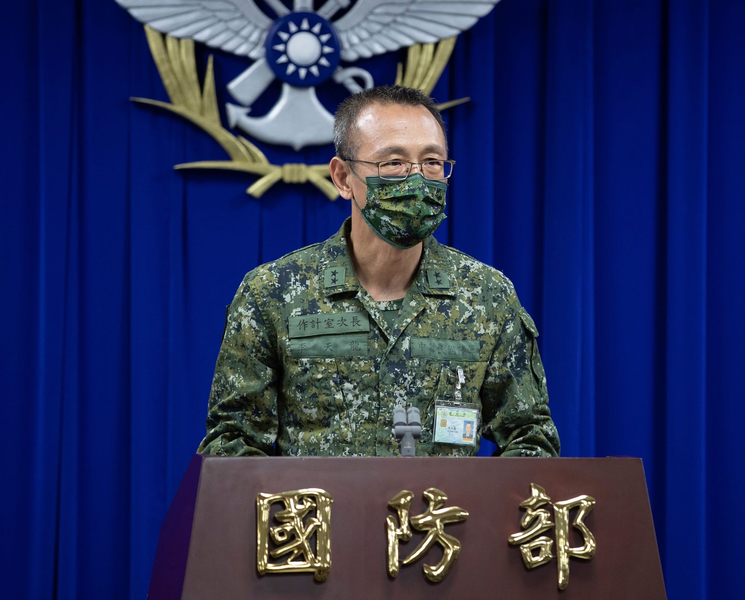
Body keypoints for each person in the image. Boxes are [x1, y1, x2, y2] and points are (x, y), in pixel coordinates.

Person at [197, 85, 560, 458]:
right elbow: (231, 445)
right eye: (393, 164)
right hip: (325, 514)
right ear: (342, 178)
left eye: (432, 162)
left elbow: (530, 440)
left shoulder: (487, 296)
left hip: (437, 516)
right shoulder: (272, 293)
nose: (417, 180)